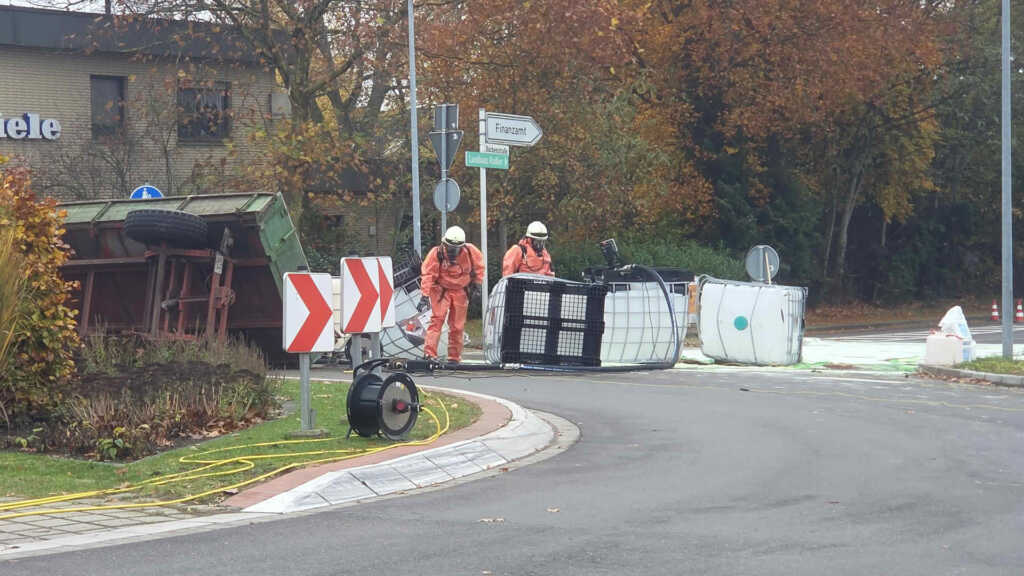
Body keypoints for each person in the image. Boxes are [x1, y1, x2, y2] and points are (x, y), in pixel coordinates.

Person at [419, 225, 484, 363]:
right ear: (444, 244)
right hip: (441, 290)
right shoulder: (436, 254)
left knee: (457, 326)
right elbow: (428, 274)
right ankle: (429, 354)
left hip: (461, 290)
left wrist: (478, 285)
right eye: (450, 247)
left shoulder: (471, 252)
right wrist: (425, 295)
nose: (453, 251)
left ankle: (454, 357)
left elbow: (479, 267)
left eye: (456, 248)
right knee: (437, 321)